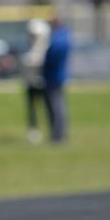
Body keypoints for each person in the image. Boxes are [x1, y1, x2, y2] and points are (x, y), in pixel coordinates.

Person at [41, 15, 72, 144]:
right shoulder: (63, 36)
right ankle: (58, 134)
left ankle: (58, 135)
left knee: (56, 107)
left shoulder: (59, 38)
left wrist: (44, 66)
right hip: (56, 76)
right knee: (57, 106)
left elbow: (52, 56)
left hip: (54, 76)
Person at [22, 18, 50, 144]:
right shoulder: (29, 47)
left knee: (47, 107)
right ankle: (33, 130)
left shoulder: (44, 47)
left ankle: (51, 130)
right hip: (31, 83)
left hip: (42, 82)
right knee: (32, 109)